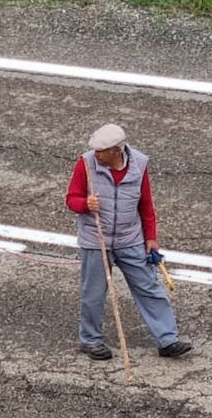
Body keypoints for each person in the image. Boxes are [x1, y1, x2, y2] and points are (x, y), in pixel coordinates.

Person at [65, 123, 192, 360]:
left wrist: (151, 237)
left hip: (130, 237)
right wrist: (85, 204)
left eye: (101, 151)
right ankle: (91, 340)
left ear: (116, 150)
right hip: (96, 238)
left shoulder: (139, 165)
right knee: (93, 292)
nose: (96, 154)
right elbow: (71, 198)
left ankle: (167, 340)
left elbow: (146, 204)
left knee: (149, 287)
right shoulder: (86, 163)